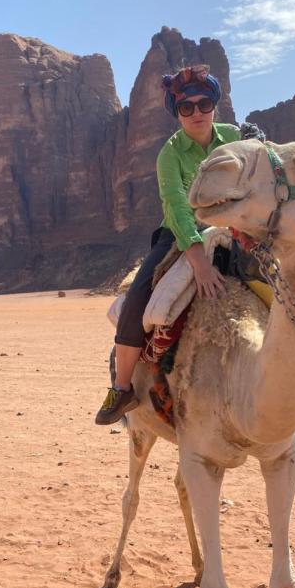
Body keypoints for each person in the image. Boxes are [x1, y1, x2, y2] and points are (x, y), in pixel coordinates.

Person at [95, 65, 239, 425]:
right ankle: (122, 388)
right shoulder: (169, 155)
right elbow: (176, 207)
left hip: (235, 227)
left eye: (204, 104)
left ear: (214, 106)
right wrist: (199, 262)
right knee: (139, 297)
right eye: (186, 107)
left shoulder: (236, 138)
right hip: (178, 233)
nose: (196, 113)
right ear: (176, 112)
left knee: (284, 282)